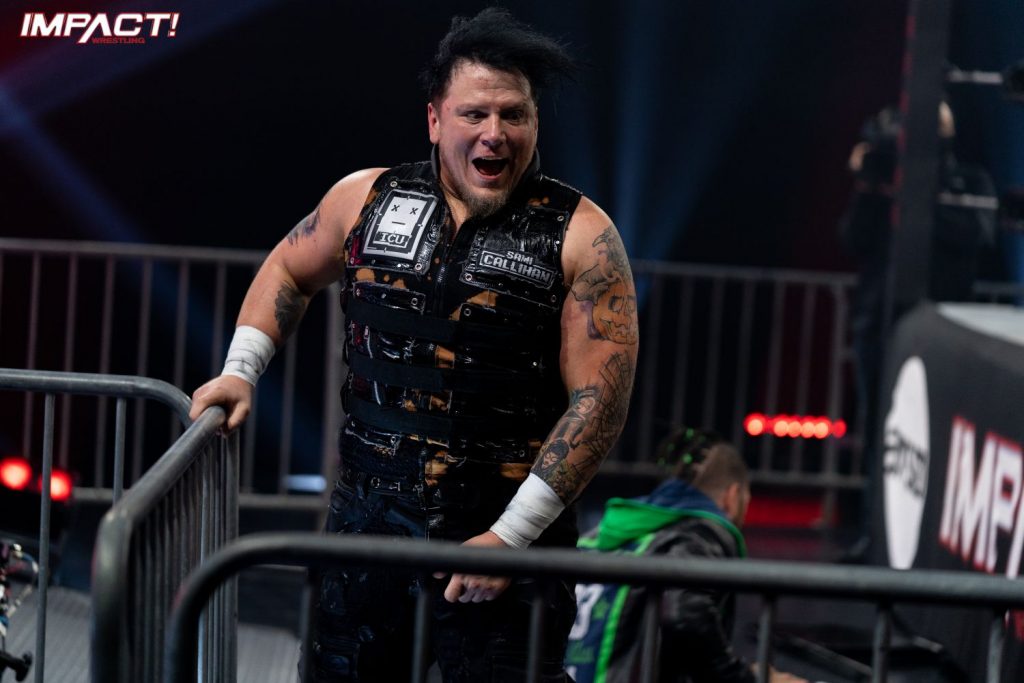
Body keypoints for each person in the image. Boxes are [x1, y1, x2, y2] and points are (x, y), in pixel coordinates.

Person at [188, 7, 638, 682]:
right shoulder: (365, 199)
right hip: (367, 532)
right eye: (474, 114)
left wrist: (511, 537)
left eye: (514, 115)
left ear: (535, 122)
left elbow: (599, 402)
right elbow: (287, 269)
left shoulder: (580, 234)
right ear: (435, 120)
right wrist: (240, 370)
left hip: (507, 543)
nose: (495, 133)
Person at [839, 101, 995, 559]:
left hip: (942, 333)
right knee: (879, 434)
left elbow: (978, 235)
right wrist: (871, 187)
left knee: (941, 437)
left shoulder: (970, 182)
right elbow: (853, 239)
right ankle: (874, 536)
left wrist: (919, 195)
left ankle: (930, 544)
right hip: (879, 324)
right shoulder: (886, 180)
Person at [565, 428, 806, 683]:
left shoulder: (600, 533)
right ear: (733, 496)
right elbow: (685, 611)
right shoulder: (702, 532)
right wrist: (741, 678)